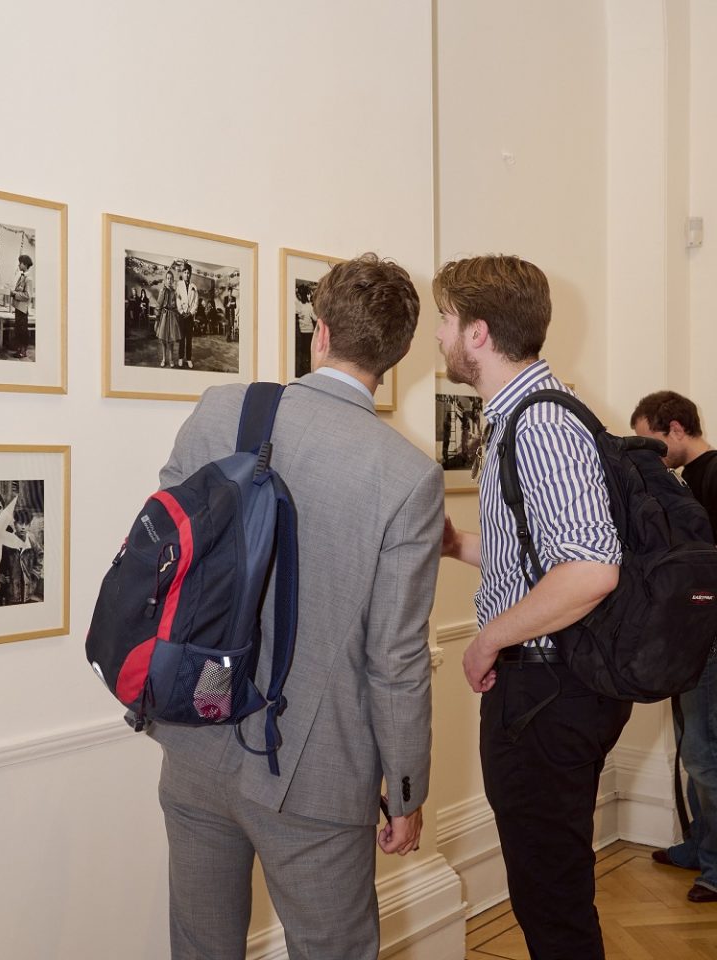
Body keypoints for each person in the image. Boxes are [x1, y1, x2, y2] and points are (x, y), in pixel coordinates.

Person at [150, 253, 444, 960]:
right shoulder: (408, 476)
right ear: (396, 356)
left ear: (321, 331)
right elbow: (396, 658)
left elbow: (164, 556)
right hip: (317, 774)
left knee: (200, 949)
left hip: (195, 736)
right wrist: (405, 791)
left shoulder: (221, 410)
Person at [436, 255, 631, 960]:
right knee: (549, 888)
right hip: (552, 687)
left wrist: (488, 639)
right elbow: (537, 558)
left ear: (478, 332)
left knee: (552, 902)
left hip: (546, 691)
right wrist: (457, 545)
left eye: (446, 319)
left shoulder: (539, 424)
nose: (439, 334)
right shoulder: (524, 416)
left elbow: (589, 570)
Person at [631, 390, 717, 903]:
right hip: (688, 638)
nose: (650, 454)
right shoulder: (683, 480)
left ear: (677, 428)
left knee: (707, 755)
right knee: (693, 749)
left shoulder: (715, 476)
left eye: (653, 442)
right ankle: (700, 846)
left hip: (710, 640)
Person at [0, 506, 43, 605]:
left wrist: (34, 575)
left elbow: (40, 557)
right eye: (20, 523)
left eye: (26, 524)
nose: (23, 527)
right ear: (14, 524)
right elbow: (2, 563)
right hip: (12, 588)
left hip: (28, 586)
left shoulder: (32, 541)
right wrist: (5, 578)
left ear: (29, 525)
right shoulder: (8, 543)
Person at [154, 269, 181, 368]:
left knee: (171, 340)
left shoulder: (175, 292)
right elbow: (158, 305)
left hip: (172, 316)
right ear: (166, 280)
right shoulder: (163, 291)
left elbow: (177, 305)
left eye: (171, 279)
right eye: (168, 278)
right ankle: (164, 359)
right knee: (163, 340)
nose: (169, 280)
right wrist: (157, 320)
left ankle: (171, 359)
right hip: (164, 316)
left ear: (173, 280)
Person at [11, 254, 34, 359]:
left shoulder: (28, 279)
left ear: (24, 264)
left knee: (23, 330)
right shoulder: (22, 276)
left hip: (23, 309)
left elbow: (28, 296)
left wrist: (15, 294)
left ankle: (23, 351)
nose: (19, 265)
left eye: (20, 263)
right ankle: (19, 349)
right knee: (18, 329)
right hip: (19, 307)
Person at [175, 261, 198, 368]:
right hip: (182, 315)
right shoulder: (179, 285)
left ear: (190, 274)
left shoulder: (194, 287)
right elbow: (178, 299)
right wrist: (182, 311)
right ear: (182, 273)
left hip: (190, 316)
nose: (187, 274)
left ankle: (188, 359)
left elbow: (196, 302)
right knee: (181, 338)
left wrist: (191, 313)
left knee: (189, 339)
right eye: (185, 272)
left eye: (188, 273)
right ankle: (180, 358)